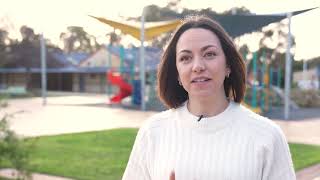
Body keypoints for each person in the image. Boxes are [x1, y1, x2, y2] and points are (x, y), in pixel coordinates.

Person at [122, 15, 295, 180]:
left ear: (228, 65)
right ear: (176, 72)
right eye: (185, 58)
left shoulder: (267, 136)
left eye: (209, 54)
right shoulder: (153, 132)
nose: (197, 66)